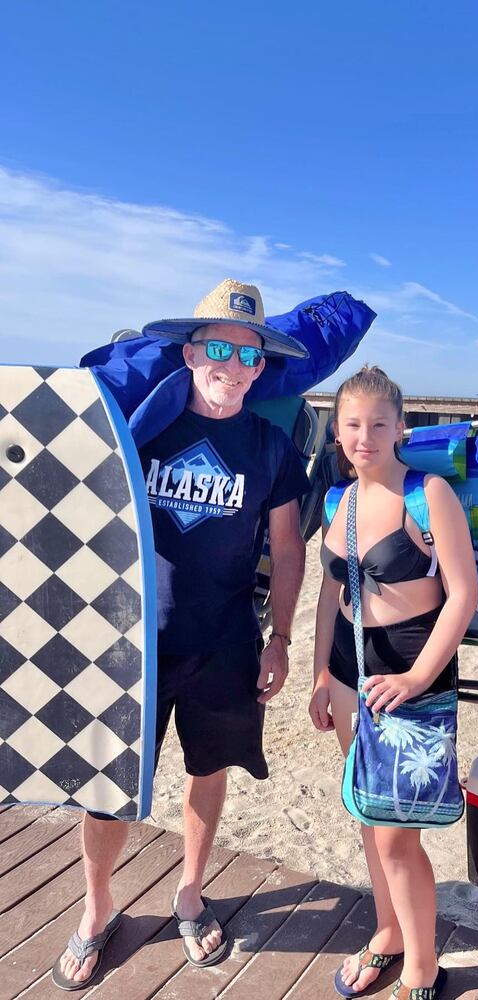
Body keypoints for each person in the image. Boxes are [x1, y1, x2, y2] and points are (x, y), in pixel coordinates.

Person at [54, 279, 309, 989]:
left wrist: (281, 637)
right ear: (192, 352)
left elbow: (289, 549)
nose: (233, 365)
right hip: (129, 641)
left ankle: (191, 892)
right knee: (105, 786)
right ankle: (97, 911)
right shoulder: (141, 423)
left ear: (262, 368)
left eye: (249, 355)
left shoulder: (270, 445)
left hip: (225, 640)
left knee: (209, 770)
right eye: (219, 347)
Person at [309, 366, 478, 1000]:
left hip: (414, 675)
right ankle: (388, 930)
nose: (364, 436)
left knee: (396, 835)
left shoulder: (426, 493)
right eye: (351, 424)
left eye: (378, 424)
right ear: (338, 432)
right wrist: (322, 672)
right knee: (366, 812)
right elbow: (331, 594)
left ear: (401, 427)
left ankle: (424, 965)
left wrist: (416, 676)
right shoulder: (338, 499)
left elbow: (461, 595)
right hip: (353, 675)